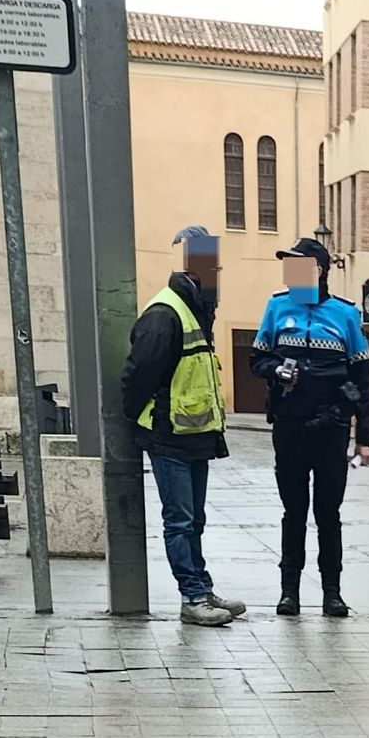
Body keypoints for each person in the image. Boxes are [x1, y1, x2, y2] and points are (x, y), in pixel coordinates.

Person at [121, 227, 247, 626]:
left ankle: (202, 588)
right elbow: (139, 374)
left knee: (194, 519)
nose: (218, 280)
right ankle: (192, 597)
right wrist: (140, 418)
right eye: (213, 271)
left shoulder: (195, 312)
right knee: (179, 520)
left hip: (194, 435)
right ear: (195, 275)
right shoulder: (165, 315)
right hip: (169, 435)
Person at [250, 238, 369, 618]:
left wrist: (364, 438)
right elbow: (256, 359)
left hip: (331, 428)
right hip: (289, 426)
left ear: (319, 270)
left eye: (299, 266)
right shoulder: (277, 307)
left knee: (328, 514)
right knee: (293, 512)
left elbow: (363, 379)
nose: (291, 273)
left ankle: (332, 592)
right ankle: (289, 592)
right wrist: (275, 369)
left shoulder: (345, 315)